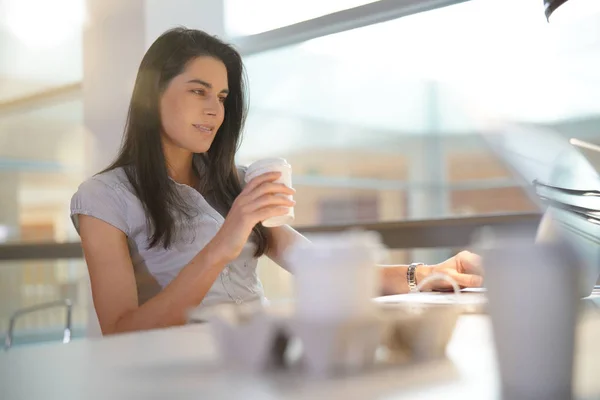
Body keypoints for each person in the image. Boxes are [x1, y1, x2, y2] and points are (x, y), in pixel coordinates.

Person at [70, 27, 483, 336]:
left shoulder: (238, 182)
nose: (215, 110)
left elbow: (319, 267)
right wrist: (225, 241)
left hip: (257, 355)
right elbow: (120, 330)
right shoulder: (103, 198)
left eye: (222, 96)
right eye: (199, 91)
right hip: (176, 373)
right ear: (151, 93)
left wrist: (426, 274)